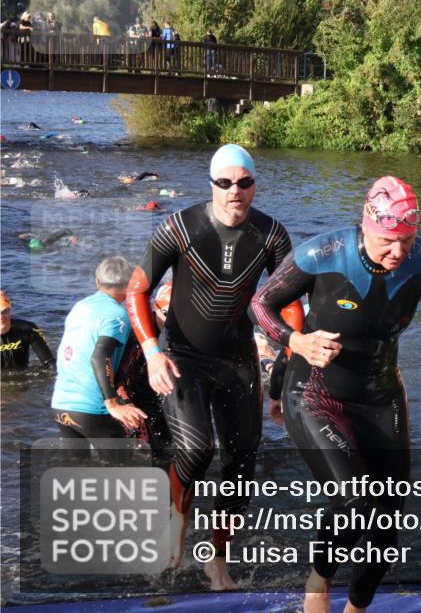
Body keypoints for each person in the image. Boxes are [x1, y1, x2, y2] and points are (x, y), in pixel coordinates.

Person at [251, 176, 421, 613]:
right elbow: (260, 303)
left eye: (406, 240)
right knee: (354, 500)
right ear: (366, 226)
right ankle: (318, 583)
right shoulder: (324, 253)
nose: (397, 252)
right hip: (314, 391)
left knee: (386, 523)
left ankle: (356, 609)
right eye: (386, 241)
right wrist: (295, 341)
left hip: (380, 396)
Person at [125, 143, 303, 590]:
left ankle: (216, 557)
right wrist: (150, 351)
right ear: (212, 185)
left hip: (239, 361)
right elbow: (136, 290)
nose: (234, 192)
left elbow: (290, 302)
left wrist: (290, 355)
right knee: (196, 449)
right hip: (184, 357)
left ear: (254, 186)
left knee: (242, 458)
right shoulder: (180, 228)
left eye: (244, 183)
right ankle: (176, 519)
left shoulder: (272, 235)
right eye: (224, 183)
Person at [50, 257, 148, 447]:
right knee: (124, 471)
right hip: (91, 409)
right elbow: (100, 357)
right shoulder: (117, 315)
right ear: (129, 284)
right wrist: (112, 404)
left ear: (97, 281)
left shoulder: (79, 307)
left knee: (80, 471)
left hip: (61, 405)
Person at [115, 282, 173, 458]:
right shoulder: (139, 334)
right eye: (166, 314)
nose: (171, 322)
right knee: (148, 455)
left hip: (161, 394)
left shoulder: (182, 332)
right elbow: (118, 378)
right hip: (133, 395)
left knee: (173, 450)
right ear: (155, 309)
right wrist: (126, 405)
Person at [1, 290, 56, 370]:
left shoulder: (28, 330)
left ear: (10, 311)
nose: (1, 317)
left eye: (5, 311)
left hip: (22, 378)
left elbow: (49, 363)